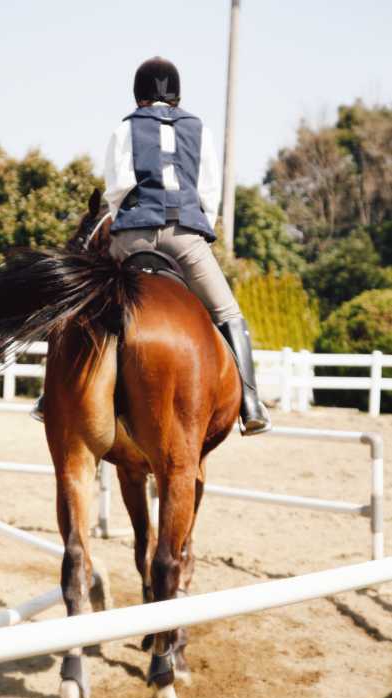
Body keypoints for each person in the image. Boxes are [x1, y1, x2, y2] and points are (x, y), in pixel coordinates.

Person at [103, 56, 270, 435]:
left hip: (133, 236)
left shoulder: (125, 129)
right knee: (229, 313)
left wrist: (125, 225)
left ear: (138, 95)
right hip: (185, 237)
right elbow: (208, 193)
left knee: (83, 302)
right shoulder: (200, 130)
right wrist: (197, 231)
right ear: (177, 95)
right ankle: (251, 404)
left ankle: (53, 398)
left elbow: (116, 190)